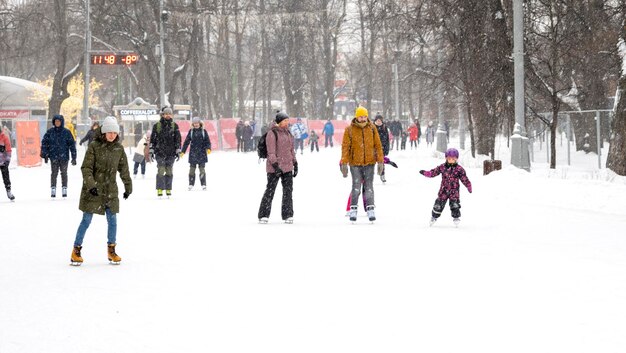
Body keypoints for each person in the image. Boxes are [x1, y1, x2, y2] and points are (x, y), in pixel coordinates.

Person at [70, 116, 132, 266]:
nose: (112, 135)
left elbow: (123, 169)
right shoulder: (94, 146)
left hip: (110, 189)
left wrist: (128, 186)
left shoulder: (119, 149)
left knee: (112, 220)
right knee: (86, 220)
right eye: (109, 132)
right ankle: (76, 250)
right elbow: (86, 168)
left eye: (114, 132)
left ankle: (111, 250)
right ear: (104, 132)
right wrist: (91, 185)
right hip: (94, 190)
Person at [340, 106, 384, 222]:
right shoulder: (349, 130)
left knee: (369, 187)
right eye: (360, 116)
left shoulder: (372, 128)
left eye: (365, 116)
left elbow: (378, 146)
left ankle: (370, 209)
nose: (363, 118)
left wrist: (380, 161)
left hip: (370, 162)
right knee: (356, 187)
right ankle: (353, 209)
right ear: (356, 117)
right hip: (355, 163)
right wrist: (344, 162)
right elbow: (345, 147)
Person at [258, 111, 297, 224]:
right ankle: (263, 214)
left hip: (288, 167)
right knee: (270, 190)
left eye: (288, 120)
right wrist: (275, 165)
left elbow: (291, 150)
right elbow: (271, 152)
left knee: (288, 192)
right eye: (285, 121)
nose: (287, 122)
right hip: (274, 168)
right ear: (279, 122)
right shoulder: (272, 133)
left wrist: (295, 163)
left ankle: (288, 214)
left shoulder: (288, 133)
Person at [419, 147, 472, 227]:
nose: (451, 160)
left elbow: (464, 178)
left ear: (456, 159)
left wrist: (468, 185)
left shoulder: (459, 169)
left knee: (455, 205)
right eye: (449, 158)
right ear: (446, 158)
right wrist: (426, 173)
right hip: (443, 190)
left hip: (454, 191)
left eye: (453, 159)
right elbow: (433, 172)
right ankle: (434, 217)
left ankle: (456, 217)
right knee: (438, 205)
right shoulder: (442, 167)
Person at [40, 114, 77, 198]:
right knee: (54, 173)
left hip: (64, 157)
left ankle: (64, 188)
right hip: (53, 156)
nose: (57, 123)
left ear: (61, 122)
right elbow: (44, 143)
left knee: (64, 173)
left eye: (58, 121)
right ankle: (53, 188)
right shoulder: (50, 132)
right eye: (56, 121)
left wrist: (74, 157)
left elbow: (72, 145)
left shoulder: (66, 132)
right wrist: (44, 153)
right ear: (54, 122)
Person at [149, 107, 181, 197]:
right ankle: (159, 189)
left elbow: (178, 139)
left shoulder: (175, 126)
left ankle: (168, 189)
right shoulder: (157, 126)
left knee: (169, 171)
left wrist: (178, 150)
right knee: (161, 170)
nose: (168, 115)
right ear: (162, 115)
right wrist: (151, 150)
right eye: (166, 114)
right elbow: (153, 139)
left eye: (169, 114)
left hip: (171, 153)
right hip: (160, 152)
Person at [181, 117, 212, 190]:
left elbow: (207, 141)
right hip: (193, 153)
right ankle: (191, 184)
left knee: (202, 169)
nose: (196, 125)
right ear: (193, 124)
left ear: (200, 123)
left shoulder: (203, 131)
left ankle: (203, 184)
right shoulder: (191, 131)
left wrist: (208, 148)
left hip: (202, 153)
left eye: (197, 123)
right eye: (194, 123)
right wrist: (183, 151)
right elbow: (186, 142)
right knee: (192, 169)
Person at [373, 114, 390, 182]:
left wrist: (386, 149)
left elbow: (387, 139)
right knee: (371, 163)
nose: (379, 122)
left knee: (381, 162)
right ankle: (369, 176)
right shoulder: (372, 127)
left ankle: (382, 175)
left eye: (380, 120)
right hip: (373, 148)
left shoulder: (384, 127)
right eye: (377, 120)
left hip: (381, 148)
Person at [0, 127, 15, 201]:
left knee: (6, 177)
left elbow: (8, 150)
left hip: (3, 162)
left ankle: (8, 191)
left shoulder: (4, 138)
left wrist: (7, 161)